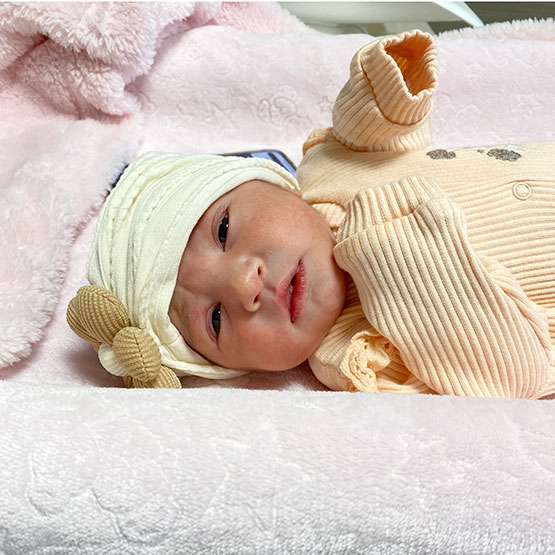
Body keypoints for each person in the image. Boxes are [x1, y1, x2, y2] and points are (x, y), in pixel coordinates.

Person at [67, 30, 555, 398]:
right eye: (214, 320)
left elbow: (385, 137)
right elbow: (516, 375)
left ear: (264, 180)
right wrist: (395, 256)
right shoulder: (352, 351)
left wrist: (385, 90)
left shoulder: (328, 169)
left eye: (223, 229)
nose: (244, 285)